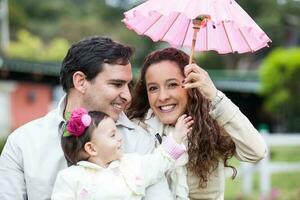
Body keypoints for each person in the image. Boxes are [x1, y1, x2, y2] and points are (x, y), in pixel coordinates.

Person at [0, 36, 171, 200]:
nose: (127, 96)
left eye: (128, 85)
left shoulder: (140, 142)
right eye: (117, 84)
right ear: (80, 81)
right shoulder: (22, 143)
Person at [127, 47, 268, 200]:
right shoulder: (137, 129)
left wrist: (215, 96)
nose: (162, 96)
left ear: (191, 85)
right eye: (153, 88)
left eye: (172, 84)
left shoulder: (210, 125)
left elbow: (256, 152)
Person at [52, 107, 193, 199]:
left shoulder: (132, 164)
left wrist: (176, 136)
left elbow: (158, 161)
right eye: (112, 135)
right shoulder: (71, 177)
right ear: (92, 149)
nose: (120, 138)